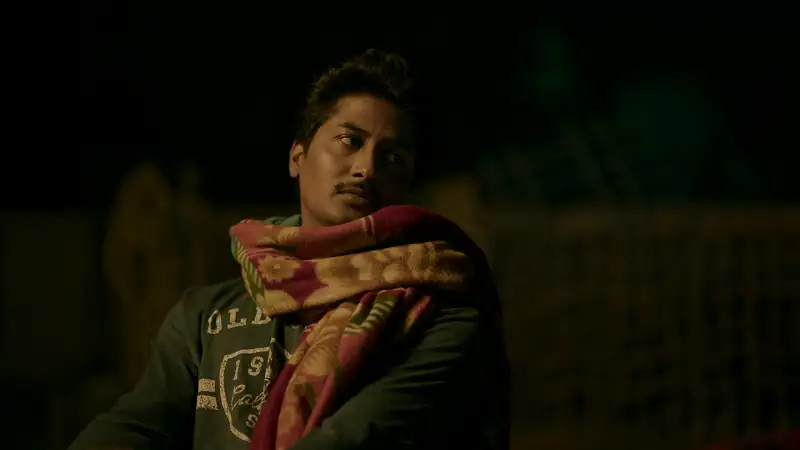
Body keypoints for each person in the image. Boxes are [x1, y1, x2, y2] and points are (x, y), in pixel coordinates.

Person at [70, 49, 510, 450]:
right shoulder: (205, 318)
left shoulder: (433, 316)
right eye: (350, 140)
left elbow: (353, 437)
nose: (366, 168)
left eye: (392, 157)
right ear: (297, 157)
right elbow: (136, 426)